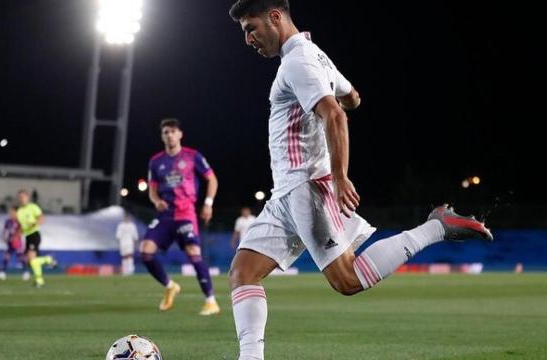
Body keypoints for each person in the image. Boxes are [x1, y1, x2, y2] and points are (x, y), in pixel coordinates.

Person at [227, 1, 494, 358]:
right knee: (243, 272)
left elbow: (335, 114)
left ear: (275, 17)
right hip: (286, 193)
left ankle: (437, 227)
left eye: (251, 27)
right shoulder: (315, 57)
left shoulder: (299, 62)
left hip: (306, 188)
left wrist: (339, 178)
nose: (248, 39)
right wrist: (336, 103)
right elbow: (351, 98)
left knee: (347, 280)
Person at [140, 118, 220, 316]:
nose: (169, 135)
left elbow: (212, 179)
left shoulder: (193, 156)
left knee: (194, 253)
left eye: (172, 131)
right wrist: (156, 200)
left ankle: (211, 301)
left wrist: (208, 204)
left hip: (185, 213)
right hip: (165, 215)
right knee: (145, 252)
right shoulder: (155, 161)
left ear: (180, 134)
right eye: (165, 132)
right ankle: (169, 286)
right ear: (162, 136)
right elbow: (152, 190)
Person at [17, 189, 55, 287]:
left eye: (23, 197)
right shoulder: (19, 211)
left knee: (32, 259)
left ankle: (40, 278)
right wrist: (18, 234)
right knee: (30, 261)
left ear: (27, 197)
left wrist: (35, 223)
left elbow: (41, 219)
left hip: (34, 235)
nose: (21, 199)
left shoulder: (33, 207)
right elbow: (21, 226)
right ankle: (47, 261)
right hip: (27, 237)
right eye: (20, 197)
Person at [0, 207, 25, 280]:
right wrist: (4, 237)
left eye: (12, 212)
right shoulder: (8, 221)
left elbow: (21, 230)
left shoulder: (19, 221)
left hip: (17, 241)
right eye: (10, 212)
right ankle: (2, 272)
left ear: (16, 213)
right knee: (7, 255)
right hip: (10, 241)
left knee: (20, 256)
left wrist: (15, 237)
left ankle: (25, 272)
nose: (11, 214)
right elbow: (5, 230)